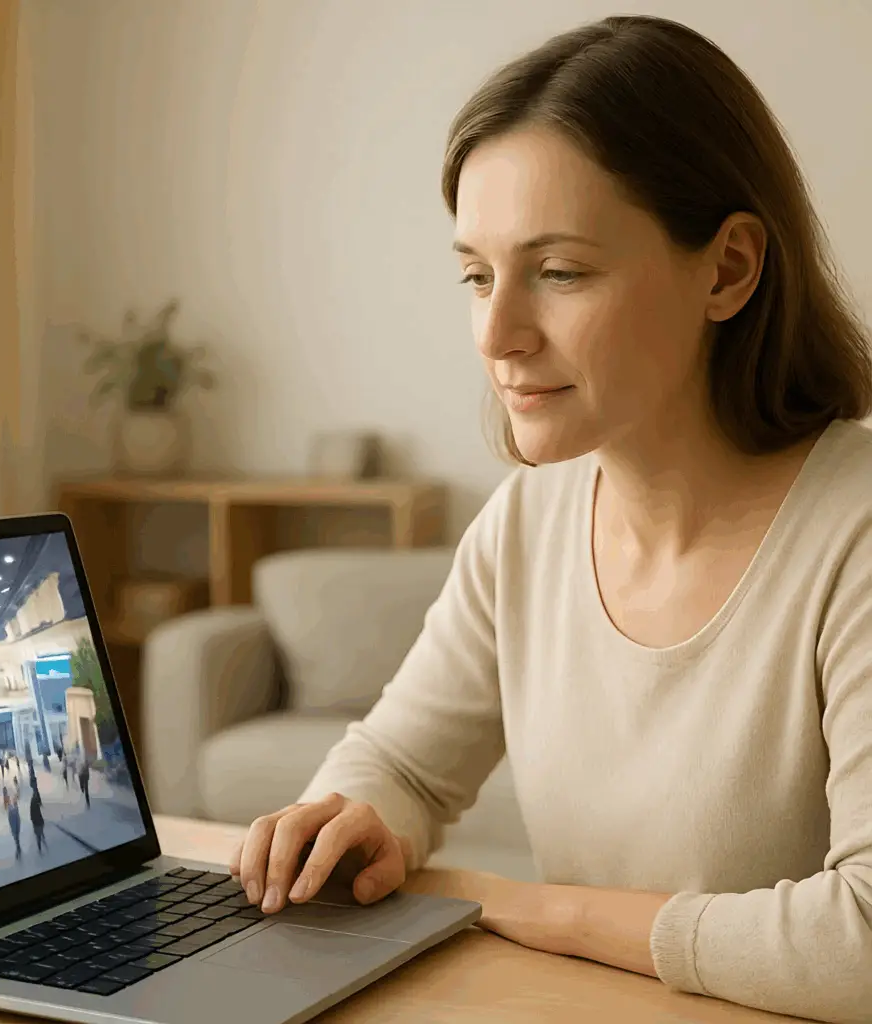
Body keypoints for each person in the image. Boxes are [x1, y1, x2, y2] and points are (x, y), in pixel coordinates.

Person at [230, 15, 872, 1024]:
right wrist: (352, 815)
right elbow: (400, 761)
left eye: (560, 271)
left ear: (728, 269)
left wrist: (551, 910)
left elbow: (863, 939)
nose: (495, 333)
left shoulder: (857, 533)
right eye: (477, 275)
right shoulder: (527, 520)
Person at [29, 789, 46, 854]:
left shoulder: (34, 802)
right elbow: (33, 814)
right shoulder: (34, 803)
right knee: (38, 835)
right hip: (37, 821)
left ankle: (40, 843)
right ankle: (39, 848)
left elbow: (34, 814)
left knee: (39, 834)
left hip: (37, 821)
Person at [5, 792, 21, 858]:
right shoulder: (12, 809)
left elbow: (14, 819)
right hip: (15, 827)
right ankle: (18, 849)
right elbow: (15, 818)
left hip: (15, 827)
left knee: (16, 839)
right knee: (17, 839)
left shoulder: (11, 809)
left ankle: (18, 849)